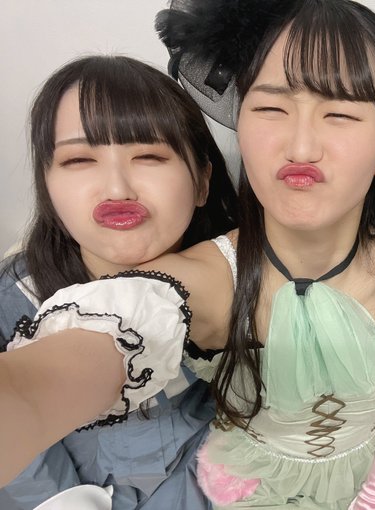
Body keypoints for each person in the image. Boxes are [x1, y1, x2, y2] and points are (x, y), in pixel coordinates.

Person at [0, 0, 375, 508]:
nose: (301, 146)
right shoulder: (206, 280)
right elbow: (79, 356)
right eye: (271, 108)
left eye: (339, 113)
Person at [0, 54, 238, 509]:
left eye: (149, 155)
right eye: (78, 159)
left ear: (202, 181)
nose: (116, 188)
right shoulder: (17, 297)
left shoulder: (239, 275)